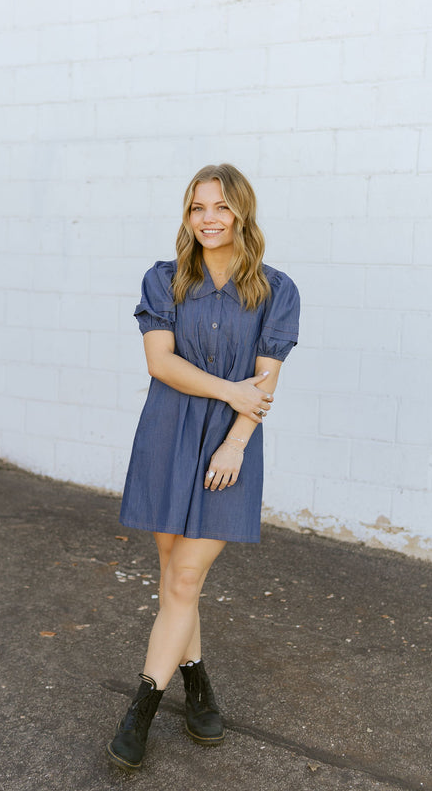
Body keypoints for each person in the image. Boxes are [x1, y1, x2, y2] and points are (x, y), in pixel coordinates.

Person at [106, 163, 300, 770]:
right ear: (187, 215)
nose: (208, 219)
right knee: (173, 577)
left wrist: (236, 440)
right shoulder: (164, 280)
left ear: (243, 212)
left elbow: (266, 384)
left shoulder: (277, 289)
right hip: (167, 432)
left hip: (228, 446)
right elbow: (160, 364)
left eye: (220, 207)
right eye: (197, 207)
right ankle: (197, 684)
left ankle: (141, 706)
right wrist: (232, 391)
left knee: (184, 582)